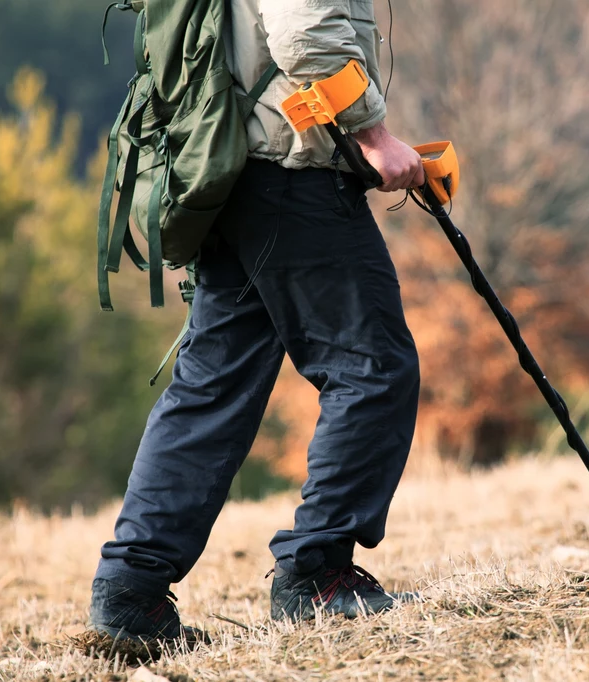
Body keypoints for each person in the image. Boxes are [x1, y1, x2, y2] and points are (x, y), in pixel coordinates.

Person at [88, 0, 424, 644]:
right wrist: (373, 133)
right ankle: (316, 576)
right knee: (372, 366)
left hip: (233, 174)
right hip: (288, 171)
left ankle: (131, 592)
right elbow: (304, 30)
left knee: (212, 389)